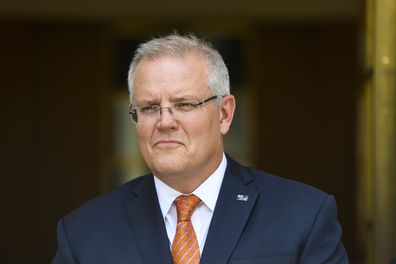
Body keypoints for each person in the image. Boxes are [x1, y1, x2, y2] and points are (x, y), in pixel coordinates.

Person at [52, 33, 348, 264]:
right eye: (149, 107)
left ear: (224, 114)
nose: (165, 121)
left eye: (184, 104)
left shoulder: (304, 215)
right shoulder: (83, 233)